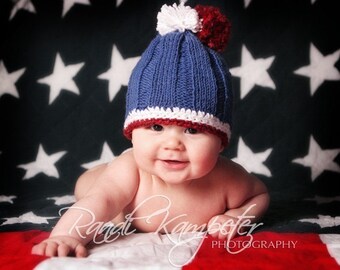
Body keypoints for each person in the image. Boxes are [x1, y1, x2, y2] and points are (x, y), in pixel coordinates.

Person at [32, 2, 269, 257]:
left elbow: (260, 195)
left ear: (221, 141)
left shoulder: (227, 179)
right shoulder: (132, 171)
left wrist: (237, 216)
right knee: (95, 188)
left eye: (191, 130)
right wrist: (66, 235)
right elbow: (100, 202)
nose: (173, 144)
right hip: (107, 189)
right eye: (156, 127)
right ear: (132, 133)